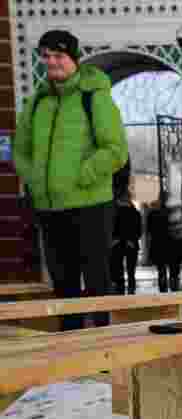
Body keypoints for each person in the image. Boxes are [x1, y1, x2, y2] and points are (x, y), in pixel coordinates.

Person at [13, 29, 128, 329]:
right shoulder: (37, 103)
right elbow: (21, 151)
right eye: (47, 56)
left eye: (59, 56)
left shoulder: (95, 98)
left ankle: (103, 351)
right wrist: (36, 180)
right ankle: (71, 351)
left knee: (96, 283)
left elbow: (116, 151)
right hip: (50, 209)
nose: (52, 62)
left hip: (91, 206)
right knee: (63, 286)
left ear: (74, 59)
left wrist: (82, 175)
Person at [110, 166, 142, 295]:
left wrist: (115, 239)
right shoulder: (134, 212)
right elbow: (138, 229)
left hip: (119, 243)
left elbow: (112, 226)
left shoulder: (114, 210)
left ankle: (121, 290)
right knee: (130, 271)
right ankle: (129, 288)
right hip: (129, 243)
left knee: (119, 271)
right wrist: (131, 240)